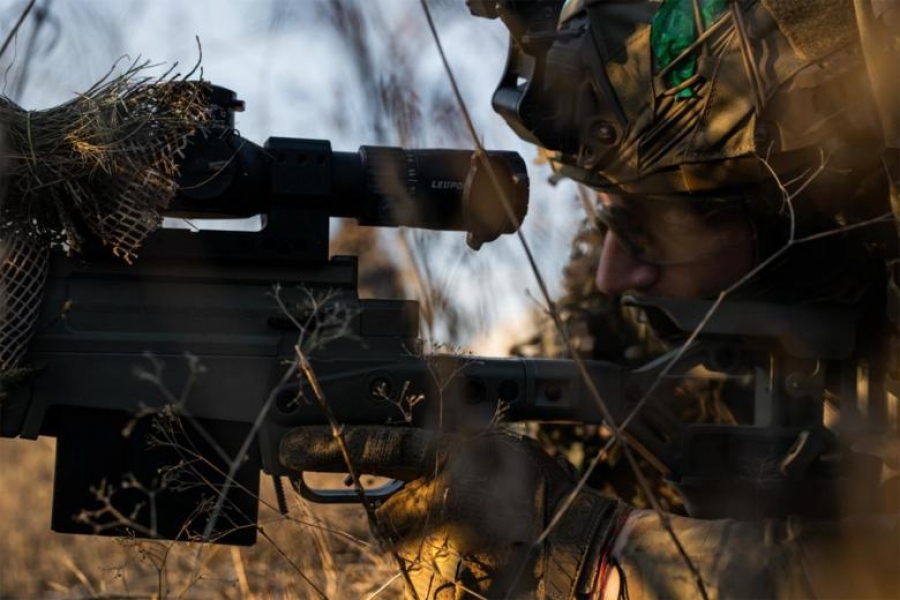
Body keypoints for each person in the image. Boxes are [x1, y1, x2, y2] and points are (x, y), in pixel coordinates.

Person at [282, 0, 900, 597]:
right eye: (605, 221)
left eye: (647, 230)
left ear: (808, 213)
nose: (612, 274)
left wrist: (598, 561)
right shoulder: (657, 318)